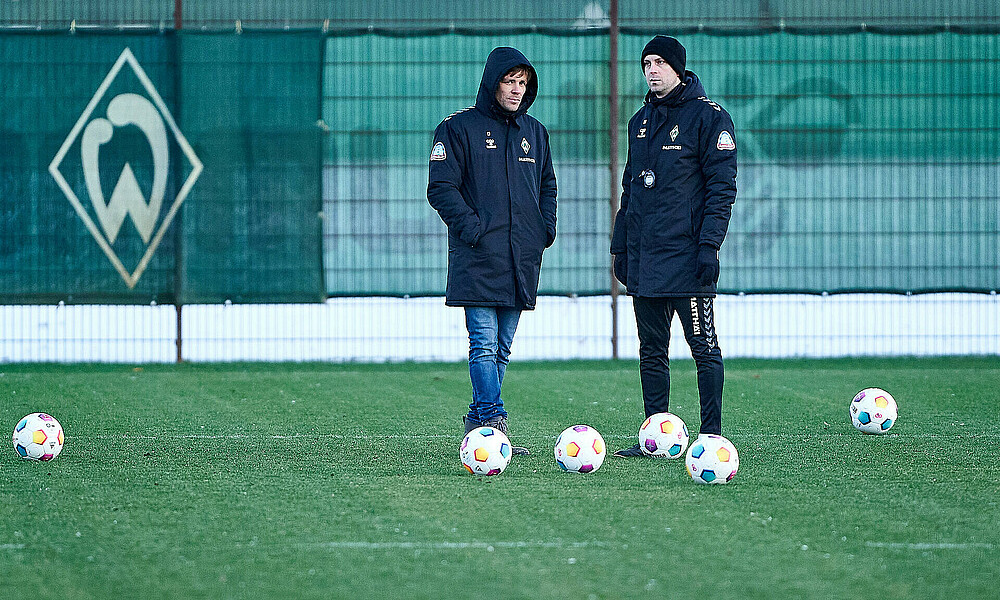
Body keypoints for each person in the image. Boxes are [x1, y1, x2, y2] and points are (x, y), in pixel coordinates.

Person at [610, 36, 737, 457]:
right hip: (646, 258)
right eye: (646, 62)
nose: (651, 70)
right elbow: (631, 190)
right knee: (651, 350)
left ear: (679, 68)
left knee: (703, 347)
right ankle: (655, 436)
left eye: (660, 62)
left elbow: (722, 189)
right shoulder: (638, 122)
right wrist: (621, 246)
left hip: (688, 258)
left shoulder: (709, 118)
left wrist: (709, 247)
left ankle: (711, 435)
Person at [427, 47, 557, 455]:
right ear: (492, 82)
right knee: (482, 343)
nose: (517, 90)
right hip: (478, 256)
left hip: (521, 258)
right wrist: (473, 229)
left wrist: (543, 230)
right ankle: (493, 418)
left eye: (523, 83)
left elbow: (548, 186)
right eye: (510, 81)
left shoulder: (535, 132)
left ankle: (479, 424)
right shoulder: (458, 128)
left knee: (501, 347)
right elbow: (440, 187)